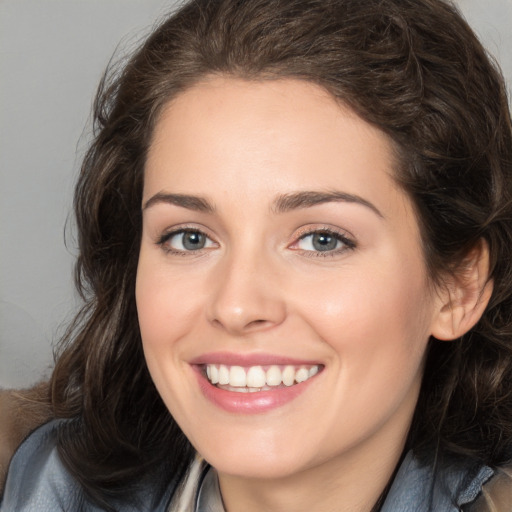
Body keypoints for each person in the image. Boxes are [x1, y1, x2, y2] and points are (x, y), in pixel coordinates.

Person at [2, 0, 512, 510]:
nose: (237, 305)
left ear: (458, 286)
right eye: (190, 237)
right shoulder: (41, 486)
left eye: (321, 239)